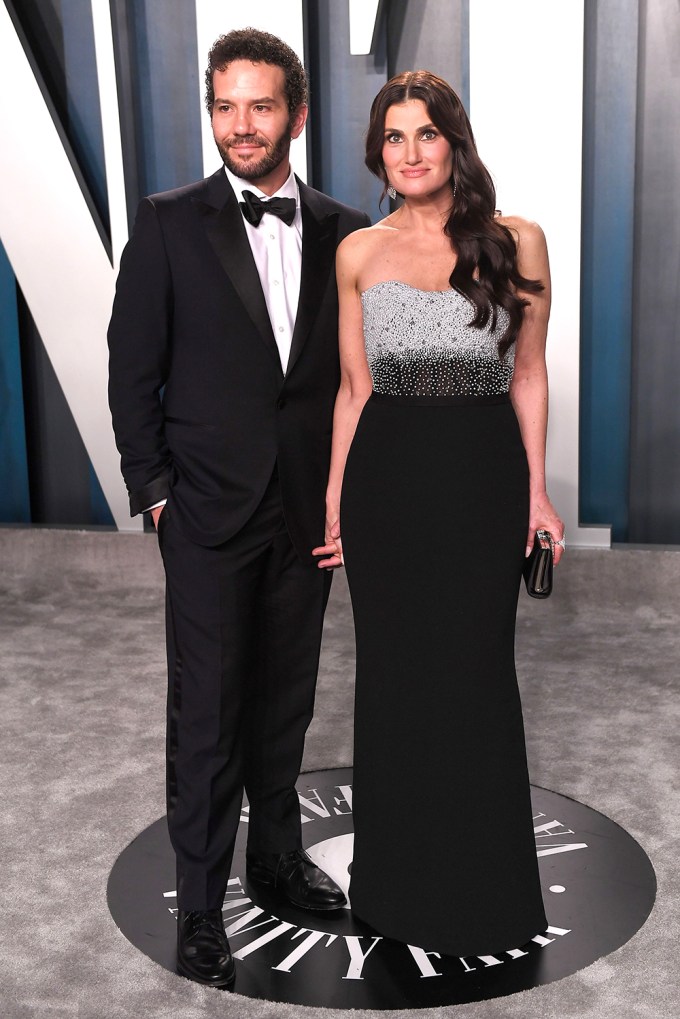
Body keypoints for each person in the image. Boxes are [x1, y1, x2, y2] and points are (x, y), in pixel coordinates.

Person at [108, 28, 370, 988]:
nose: (241, 125)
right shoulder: (170, 221)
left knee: (284, 705)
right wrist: (159, 494)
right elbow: (132, 369)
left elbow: (357, 378)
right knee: (208, 712)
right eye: (225, 105)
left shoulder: (345, 228)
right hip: (208, 513)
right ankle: (202, 900)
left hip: (308, 513)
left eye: (261, 106)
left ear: (296, 115)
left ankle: (276, 862)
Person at [313, 70, 565, 956]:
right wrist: (339, 496)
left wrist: (536, 491)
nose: (410, 152)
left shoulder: (517, 240)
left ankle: (484, 894)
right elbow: (355, 387)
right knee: (391, 680)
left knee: (474, 676)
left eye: (426, 134)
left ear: (455, 142)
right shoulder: (358, 251)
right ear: (377, 152)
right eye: (393, 138)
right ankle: (392, 888)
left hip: (482, 477)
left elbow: (528, 374)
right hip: (386, 484)